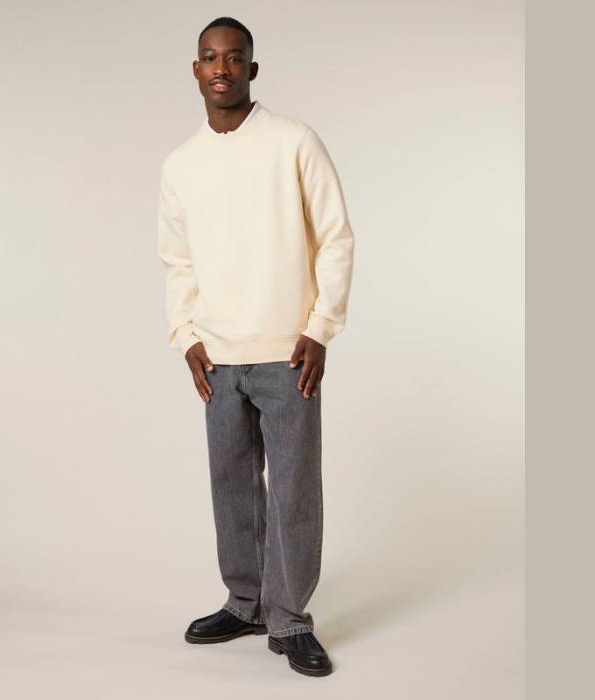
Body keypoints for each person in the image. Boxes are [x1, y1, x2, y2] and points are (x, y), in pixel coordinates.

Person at [157, 16, 355, 678]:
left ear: (252, 68)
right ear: (195, 70)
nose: (222, 68)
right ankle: (245, 603)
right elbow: (177, 261)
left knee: (293, 489)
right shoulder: (180, 164)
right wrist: (186, 335)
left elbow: (336, 237)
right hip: (218, 357)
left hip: (287, 351)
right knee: (232, 486)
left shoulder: (293, 140)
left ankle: (289, 617)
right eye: (210, 57)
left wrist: (321, 327)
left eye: (234, 57)